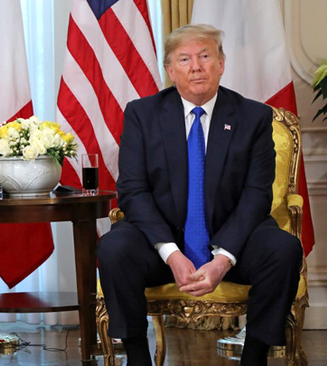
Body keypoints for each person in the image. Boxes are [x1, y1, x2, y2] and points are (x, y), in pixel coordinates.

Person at [97, 24, 302, 366]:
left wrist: (222, 259)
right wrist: (172, 254)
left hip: (233, 238)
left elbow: (256, 195)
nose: (196, 66)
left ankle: (255, 356)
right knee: (114, 248)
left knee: (283, 249)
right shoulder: (142, 114)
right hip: (162, 244)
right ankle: (136, 356)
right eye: (185, 59)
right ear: (170, 70)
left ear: (221, 64)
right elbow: (132, 191)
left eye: (205, 56)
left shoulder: (253, 117)